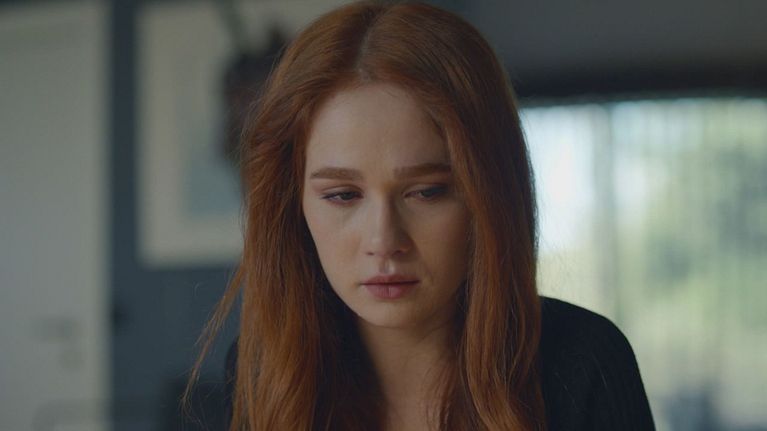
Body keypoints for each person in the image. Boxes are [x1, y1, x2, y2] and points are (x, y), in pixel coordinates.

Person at [186, 1, 655, 430]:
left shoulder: (584, 363)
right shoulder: (262, 372)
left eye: (427, 192)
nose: (383, 241)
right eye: (343, 195)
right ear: (294, 203)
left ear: (488, 195)